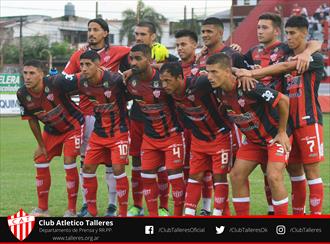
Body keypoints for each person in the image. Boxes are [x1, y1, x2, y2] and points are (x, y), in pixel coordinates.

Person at [236, 16, 325, 215]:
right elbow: (278, 69)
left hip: (309, 121)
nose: (289, 37)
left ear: (304, 34)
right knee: (295, 172)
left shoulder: (314, 58)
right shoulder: (284, 56)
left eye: (293, 33)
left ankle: (317, 217)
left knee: (312, 172)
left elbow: (294, 61)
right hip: (289, 125)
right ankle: (298, 215)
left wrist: (252, 74)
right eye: (288, 33)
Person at [207, 53, 292, 215]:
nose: (210, 77)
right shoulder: (217, 90)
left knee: (274, 177)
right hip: (253, 141)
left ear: (227, 72)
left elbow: (283, 100)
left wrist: (282, 132)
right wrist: (237, 69)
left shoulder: (249, 86)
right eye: (208, 72)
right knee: (236, 176)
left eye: (214, 72)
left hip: (274, 136)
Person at [63, 18, 131, 217]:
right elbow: (64, 78)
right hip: (88, 116)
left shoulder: (119, 51)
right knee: (86, 163)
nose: (91, 33)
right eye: (89, 29)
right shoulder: (79, 55)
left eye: (95, 29)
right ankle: (86, 204)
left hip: (112, 116)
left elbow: (142, 56)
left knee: (113, 163)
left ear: (105, 33)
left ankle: (112, 205)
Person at [160, 62, 232, 216]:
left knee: (219, 177)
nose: (164, 85)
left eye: (167, 81)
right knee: (194, 176)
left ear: (180, 77)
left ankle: (218, 213)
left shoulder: (199, 83)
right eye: (162, 81)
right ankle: (188, 214)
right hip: (198, 138)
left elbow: (223, 77)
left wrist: (243, 73)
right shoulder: (171, 92)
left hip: (219, 135)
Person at [17, 60, 84, 217]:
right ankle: (42, 208)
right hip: (52, 131)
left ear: (42, 74)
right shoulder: (22, 94)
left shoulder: (55, 82)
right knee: (40, 160)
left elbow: (81, 79)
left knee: (69, 162)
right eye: (25, 73)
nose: (27, 77)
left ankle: (71, 210)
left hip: (73, 126)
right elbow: (32, 119)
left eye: (32, 73)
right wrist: (41, 145)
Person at [126, 44, 186, 216]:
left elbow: (179, 73)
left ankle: (177, 214)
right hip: (149, 138)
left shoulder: (164, 79)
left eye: (138, 58)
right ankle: (152, 216)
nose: (133, 62)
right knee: (147, 176)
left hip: (172, 135)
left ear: (150, 60)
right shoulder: (130, 81)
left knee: (175, 176)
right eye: (131, 59)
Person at [174, 29, 216, 216]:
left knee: (205, 170)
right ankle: (188, 206)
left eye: (184, 44)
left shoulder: (204, 68)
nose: (180, 48)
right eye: (177, 45)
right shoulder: (173, 68)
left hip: (203, 127)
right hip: (181, 128)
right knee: (185, 170)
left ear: (195, 45)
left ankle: (206, 208)